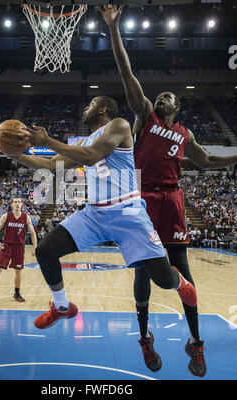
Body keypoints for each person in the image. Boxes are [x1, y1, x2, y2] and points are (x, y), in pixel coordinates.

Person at [98, 3, 237, 377]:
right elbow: (126, 72)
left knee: (183, 270)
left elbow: (206, 161)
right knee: (143, 270)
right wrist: (113, 28)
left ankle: (196, 342)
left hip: (172, 200)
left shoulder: (184, 134)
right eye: (159, 95)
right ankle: (145, 337)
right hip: (142, 198)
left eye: (168, 96)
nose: (162, 97)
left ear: (178, 106)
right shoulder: (144, 115)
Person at [13, 96, 197, 351]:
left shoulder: (119, 126)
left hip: (129, 214)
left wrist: (47, 141)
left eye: (89, 104)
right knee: (45, 250)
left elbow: (90, 157)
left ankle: (181, 283)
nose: (84, 108)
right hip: (95, 215)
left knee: (164, 280)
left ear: (102, 108)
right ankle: (62, 306)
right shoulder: (86, 142)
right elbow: (48, 165)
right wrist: (13, 153)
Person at [0, 196, 37, 305]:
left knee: (18, 271)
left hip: (19, 247)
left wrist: (34, 247)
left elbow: (33, 233)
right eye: (15, 202)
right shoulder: (6, 216)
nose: (17, 204)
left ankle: (17, 293)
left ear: (22, 204)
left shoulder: (26, 217)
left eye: (19, 202)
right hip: (7, 246)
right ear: (12, 205)